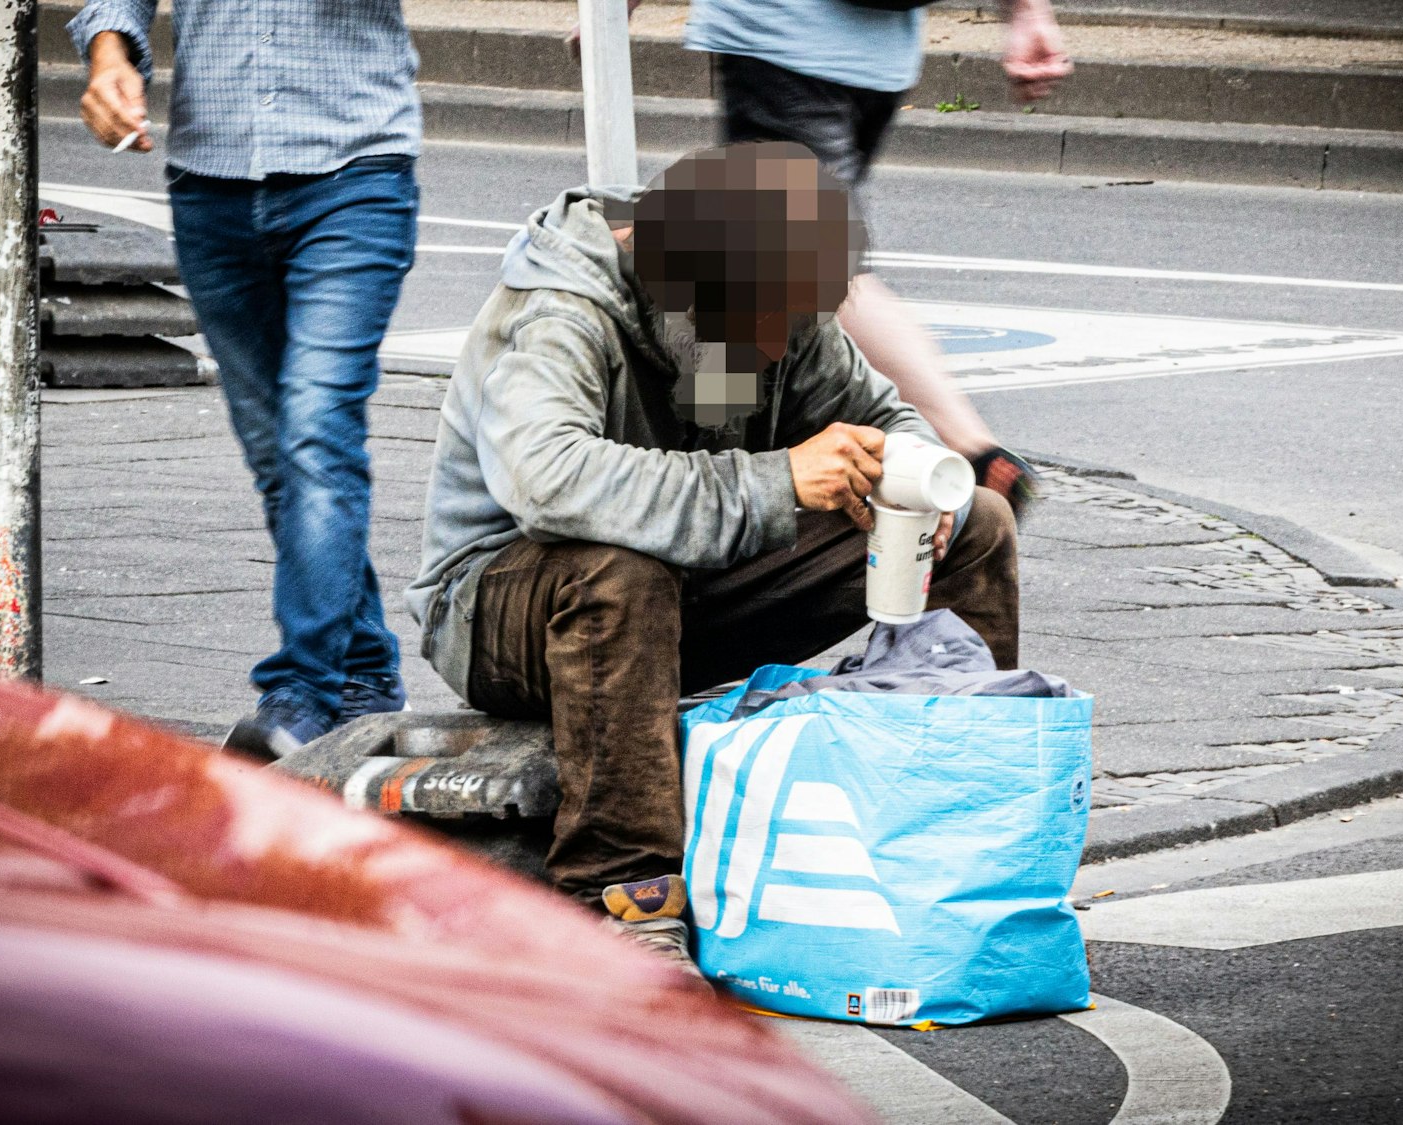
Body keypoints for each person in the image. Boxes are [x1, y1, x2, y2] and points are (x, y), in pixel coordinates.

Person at [405, 144, 1020, 969]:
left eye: (792, 322)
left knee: (977, 523)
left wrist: (918, 485)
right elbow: (546, 481)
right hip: (507, 606)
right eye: (761, 323)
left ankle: (949, 828)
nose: (778, 344)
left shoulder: (775, 311)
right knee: (618, 567)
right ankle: (624, 897)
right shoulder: (562, 311)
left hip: (692, 589)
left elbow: (883, 412)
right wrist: (778, 481)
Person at [68, 0, 421, 758]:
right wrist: (109, 53)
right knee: (277, 454)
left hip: (353, 174)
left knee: (317, 433)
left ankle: (299, 691)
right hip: (211, 184)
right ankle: (363, 673)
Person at [578, 0, 1073, 515]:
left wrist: (612, 11)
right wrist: (1027, 13)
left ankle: (967, 449)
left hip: (780, 40)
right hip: (880, 63)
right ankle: (783, 463)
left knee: (815, 267)